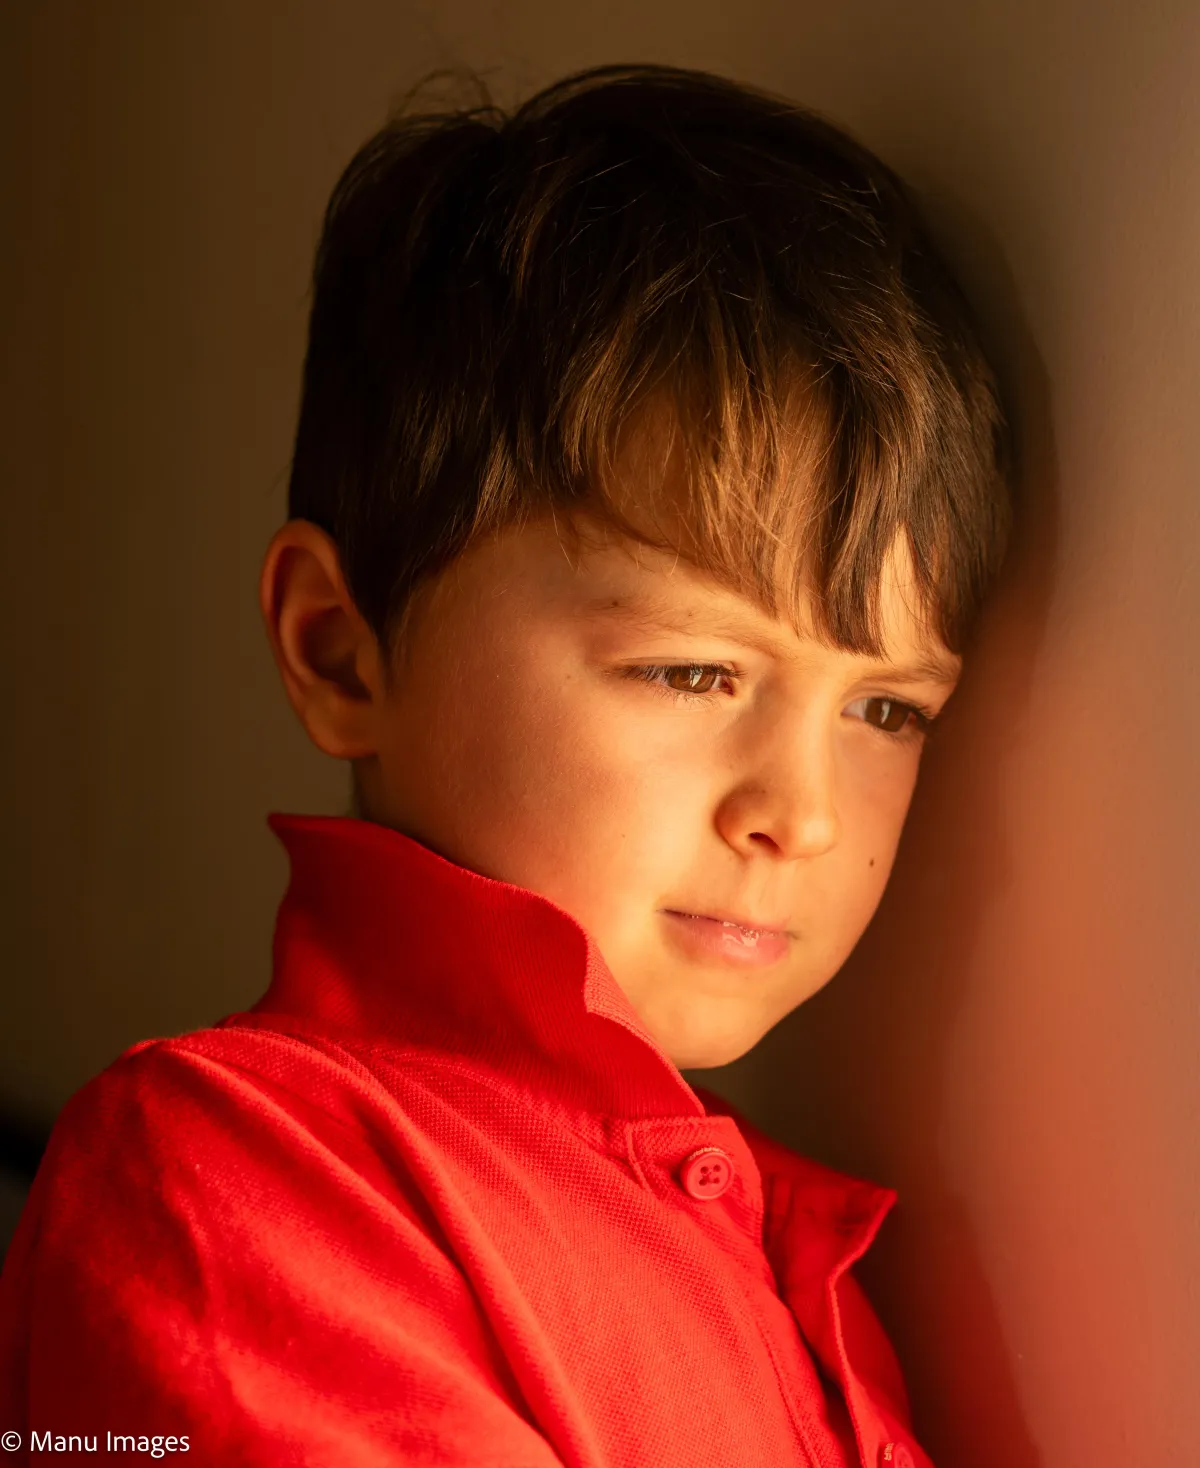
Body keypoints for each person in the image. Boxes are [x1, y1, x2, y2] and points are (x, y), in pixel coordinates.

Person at [0, 64, 1011, 1467]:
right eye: (694, 671)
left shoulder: (792, 1252)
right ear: (343, 653)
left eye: (887, 711)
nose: (804, 811)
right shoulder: (222, 1172)